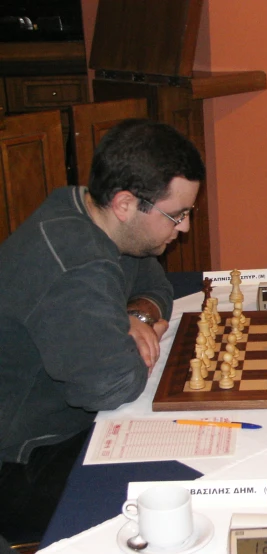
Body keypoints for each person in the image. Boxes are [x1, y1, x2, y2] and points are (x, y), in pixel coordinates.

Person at [0, 119, 205, 542]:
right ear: (126, 203)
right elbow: (111, 386)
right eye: (176, 214)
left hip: (64, 426)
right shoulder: (79, 265)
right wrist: (118, 324)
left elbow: (155, 283)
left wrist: (139, 316)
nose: (184, 227)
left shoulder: (91, 214)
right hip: (26, 462)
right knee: (184, 496)